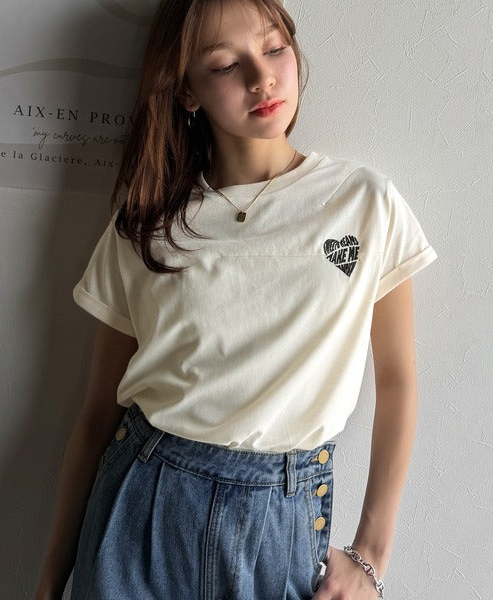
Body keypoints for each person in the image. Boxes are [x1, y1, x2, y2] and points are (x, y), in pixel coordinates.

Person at [35, 0, 437, 598]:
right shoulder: (148, 222)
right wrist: (52, 575)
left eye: (274, 48)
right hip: (142, 507)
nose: (262, 77)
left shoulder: (364, 204)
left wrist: (371, 556)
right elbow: (98, 412)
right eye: (225, 64)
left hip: (281, 518)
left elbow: (398, 381)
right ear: (187, 90)